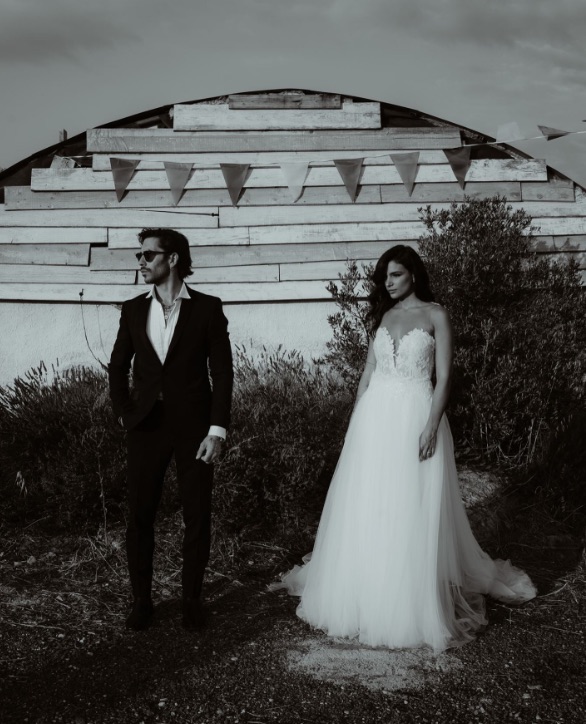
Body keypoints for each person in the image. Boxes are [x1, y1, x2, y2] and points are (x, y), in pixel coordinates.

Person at [273, 245, 536, 652]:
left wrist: (431, 424)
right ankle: (366, 593)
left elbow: (445, 377)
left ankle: (408, 601)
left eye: (395, 275)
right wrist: (353, 424)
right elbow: (368, 372)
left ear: (413, 273)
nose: (388, 283)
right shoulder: (385, 316)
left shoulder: (436, 314)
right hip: (374, 420)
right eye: (384, 277)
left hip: (416, 417)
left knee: (409, 504)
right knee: (371, 503)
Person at [108, 228, 233, 631]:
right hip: (145, 427)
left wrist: (217, 431)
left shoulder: (208, 309)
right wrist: (125, 413)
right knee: (140, 516)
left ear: (173, 259)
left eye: (147, 255)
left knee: (197, 515)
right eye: (139, 255)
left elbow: (223, 373)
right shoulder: (131, 309)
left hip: (194, 429)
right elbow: (117, 366)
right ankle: (142, 601)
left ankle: (191, 601)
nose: (140, 262)